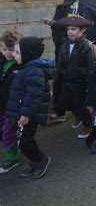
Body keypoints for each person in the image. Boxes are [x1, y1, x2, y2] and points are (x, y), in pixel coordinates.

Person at [5, 37, 55, 179]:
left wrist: (25, 114)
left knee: (24, 142)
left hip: (29, 114)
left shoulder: (33, 71)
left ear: (27, 54)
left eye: (17, 52)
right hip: (25, 113)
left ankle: (40, 159)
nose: (14, 55)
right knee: (24, 140)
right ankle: (34, 161)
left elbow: (34, 95)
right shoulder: (26, 68)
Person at [52, 16, 96, 139]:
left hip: (80, 83)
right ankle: (78, 114)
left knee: (79, 104)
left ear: (82, 30)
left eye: (73, 29)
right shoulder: (64, 45)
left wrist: (90, 88)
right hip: (67, 81)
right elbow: (60, 64)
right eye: (68, 29)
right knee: (65, 103)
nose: (70, 32)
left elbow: (91, 68)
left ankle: (89, 124)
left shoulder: (88, 46)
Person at [0, 30, 21, 174]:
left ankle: (12, 157)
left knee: (8, 132)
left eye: (11, 49)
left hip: (12, 107)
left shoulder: (20, 66)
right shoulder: (1, 61)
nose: (8, 53)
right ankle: (10, 147)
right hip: (1, 104)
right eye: (4, 49)